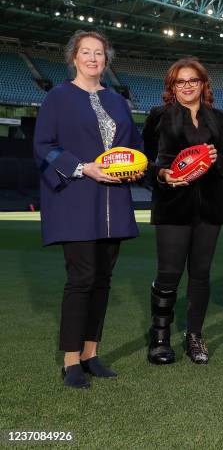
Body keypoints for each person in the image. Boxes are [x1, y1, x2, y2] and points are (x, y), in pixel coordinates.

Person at [34, 30, 143, 389]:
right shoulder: (58, 97)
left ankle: (90, 354)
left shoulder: (117, 100)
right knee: (81, 279)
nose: (94, 58)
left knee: (103, 279)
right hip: (76, 199)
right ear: (74, 58)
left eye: (100, 53)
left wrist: (138, 166)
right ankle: (70, 362)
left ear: (106, 59)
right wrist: (83, 167)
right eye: (86, 52)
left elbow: (134, 147)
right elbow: (44, 146)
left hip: (114, 202)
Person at [145, 58, 223, 366]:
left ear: (203, 83)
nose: (187, 86)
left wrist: (215, 159)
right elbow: (144, 162)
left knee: (201, 275)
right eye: (180, 82)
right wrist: (163, 175)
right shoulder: (158, 116)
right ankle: (159, 337)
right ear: (171, 86)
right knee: (168, 274)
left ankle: (194, 335)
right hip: (172, 206)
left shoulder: (220, 119)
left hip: (209, 206)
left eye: (193, 80)